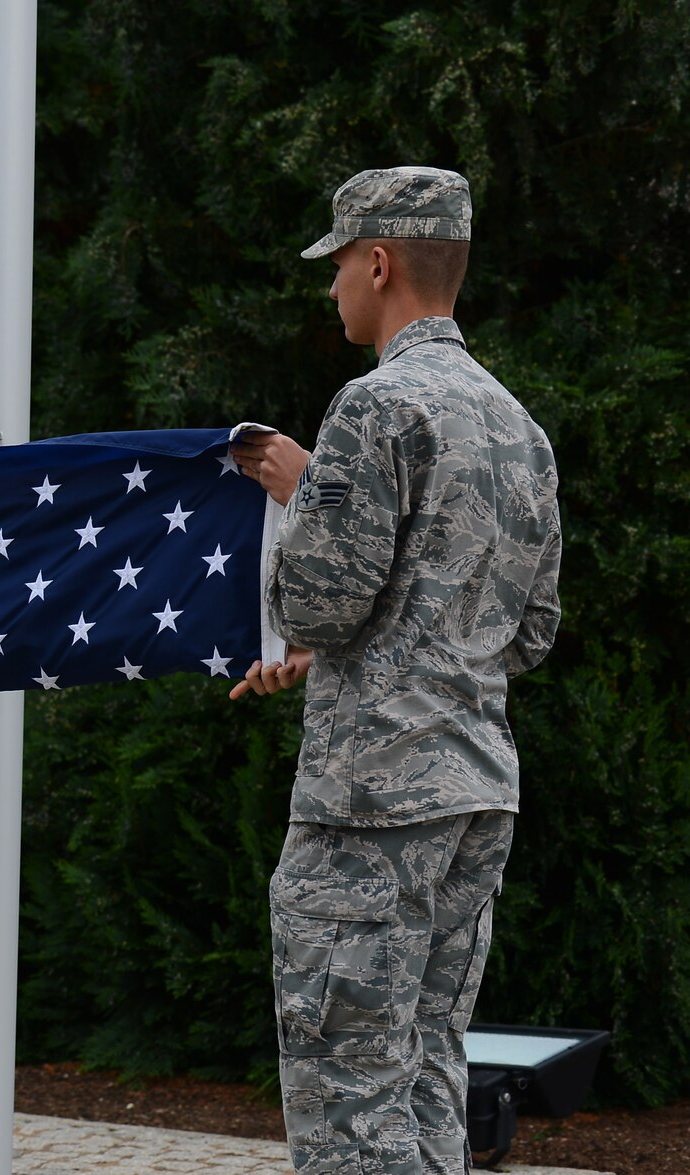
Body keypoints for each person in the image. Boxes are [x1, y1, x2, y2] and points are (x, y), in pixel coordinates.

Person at [229, 167, 562, 1174]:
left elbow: (316, 601)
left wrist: (302, 494)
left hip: (370, 805)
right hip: (472, 792)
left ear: (377, 264)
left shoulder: (374, 408)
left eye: (335, 265)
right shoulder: (517, 428)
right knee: (421, 1076)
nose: (330, 287)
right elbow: (530, 628)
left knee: (347, 1098)